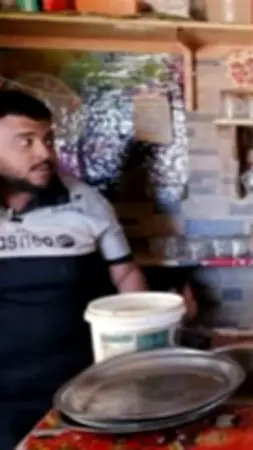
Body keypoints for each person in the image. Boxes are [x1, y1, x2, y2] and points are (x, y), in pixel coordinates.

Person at [0, 89, 157, 447]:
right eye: (26, 142)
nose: (45, 153)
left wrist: (147, 335)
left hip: (80, 387)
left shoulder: (86, 201)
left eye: (48, 140)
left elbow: (125, 274)